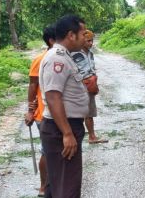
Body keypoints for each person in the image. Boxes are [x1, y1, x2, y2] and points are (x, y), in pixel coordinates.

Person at [39, 15, 89, 198]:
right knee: (68, 187)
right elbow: (53, 97)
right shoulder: (57, 59)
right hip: (61, 128)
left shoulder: (64, 56)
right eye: (83, 33)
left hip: (62, 127)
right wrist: (67, 133)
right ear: (71, 35)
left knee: (57, 183)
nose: (85, 37)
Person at [24, 25, 55, 197]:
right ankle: (43, 186)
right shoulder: (40, 59)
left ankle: (54, 183)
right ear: (52, 41)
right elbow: (32, 86)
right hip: (43, 114)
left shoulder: (64, 58)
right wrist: (30, 110)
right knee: (46, 150)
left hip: (59, 112)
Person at [71, 30, 107, 144]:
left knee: (89, 112)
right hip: (80, 87)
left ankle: (91, 136)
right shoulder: (74, 54)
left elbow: (92, 69)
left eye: (92, 41)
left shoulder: (90, 53)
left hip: (90, 86)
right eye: (88, 41)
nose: (91, 43)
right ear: (81, 40)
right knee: (81, 113)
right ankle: (83, 137)